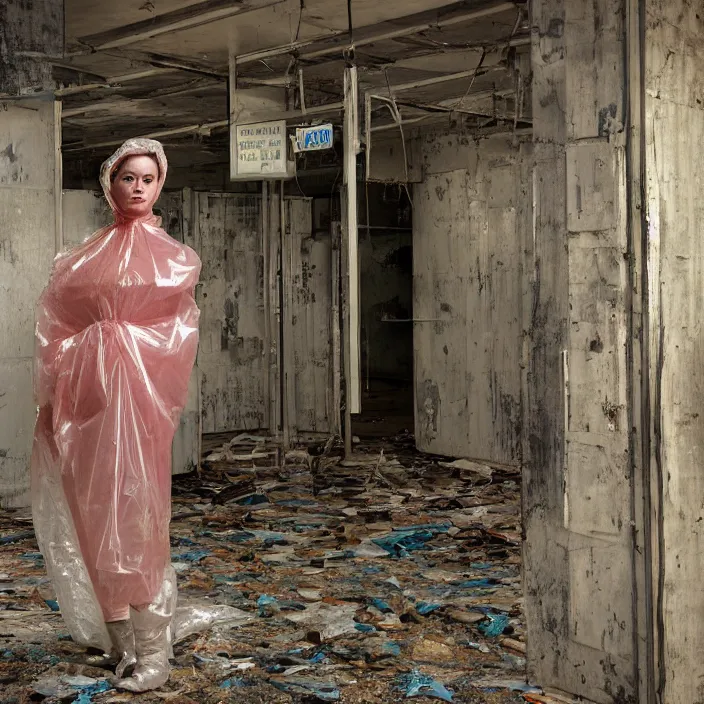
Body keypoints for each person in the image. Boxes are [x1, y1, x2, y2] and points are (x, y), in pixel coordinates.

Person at [30, 139, 201, 692]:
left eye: (148, 178)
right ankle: (120, 645)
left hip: (138, 408)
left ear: (160, 184)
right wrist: (60, 393)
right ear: (111, 183)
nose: (138, 187)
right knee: (92, 518)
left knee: (137, 523)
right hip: (88, 412)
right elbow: (55, 333)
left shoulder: (174, 259)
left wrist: (113, 338)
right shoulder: (79, 260)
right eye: (128, 177)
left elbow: (174, 342)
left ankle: (154, 655)